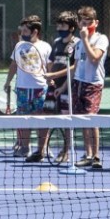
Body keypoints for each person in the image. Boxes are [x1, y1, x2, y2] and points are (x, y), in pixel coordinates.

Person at [56, 6, 109, 169]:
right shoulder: (78, 44)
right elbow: (75, 67)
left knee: (92, 119)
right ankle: (87, 154)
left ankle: (96, 156)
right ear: (79, 24)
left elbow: (94, 59)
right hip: (78, 83)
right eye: (83, 23)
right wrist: (63, 85)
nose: (86, 26)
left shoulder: (101, 39)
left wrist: (85, 39)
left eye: (89, 22)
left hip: (93, 84)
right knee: (82, 120)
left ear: (96, 23)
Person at [3, 15, 52, 162]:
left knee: (41, 120)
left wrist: (52, 82)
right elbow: (13, 65)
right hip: (23, 89)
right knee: (23, 119)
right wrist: (8, 81)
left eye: (25, 30)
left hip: (40, 89)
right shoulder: (19, 46)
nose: (22, 33)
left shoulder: (45, 47)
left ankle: (42, 149)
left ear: (35, 31)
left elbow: (50, 67)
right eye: (22, 30)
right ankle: (25, 148)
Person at [43, 10, 78, 164]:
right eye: (58, 25)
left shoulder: (77, 44)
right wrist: (49, 77)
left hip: (67, 87)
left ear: (71, 27)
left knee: (66, 119)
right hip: (53, 87)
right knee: (48, 115)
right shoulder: (56, 42)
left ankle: (66, 151)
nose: (59, 28)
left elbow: (74, 68)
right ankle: (43, 149)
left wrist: (62, 85)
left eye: (63, 25)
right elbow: (51, 62)